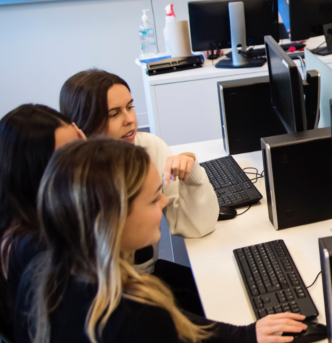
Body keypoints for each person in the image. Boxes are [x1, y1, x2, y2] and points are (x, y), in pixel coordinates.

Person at [14, 139, 308, 343]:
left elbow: (170, 322)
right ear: (114, 219)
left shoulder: (39, 274)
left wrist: (243, 334)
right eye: (154, 198)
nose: (164, 204)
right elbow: (155, 326)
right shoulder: (139, 319)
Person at [59, 69, 219, 272]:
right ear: (83, 124)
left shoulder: (149, 146)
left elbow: (198, 227)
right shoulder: (73, 178)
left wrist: (192, 175)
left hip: (146, 277)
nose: (130, 120)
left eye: (130, 107)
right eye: (114, 114)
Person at [0, 105, 84, 334]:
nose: (80, 163)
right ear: (34, 169)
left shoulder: (16, 205)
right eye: (67, 156)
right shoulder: (34, 247)